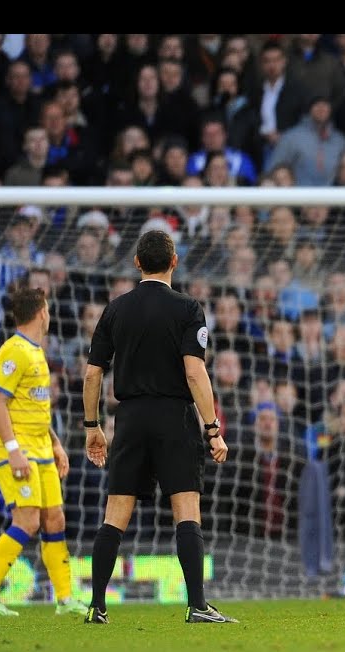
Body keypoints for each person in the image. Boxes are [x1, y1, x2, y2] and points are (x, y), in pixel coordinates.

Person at [81, 229, 235, 624]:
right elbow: (194, 371)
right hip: (174, 417)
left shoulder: (115, 309)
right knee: (186, 509)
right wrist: (212, 427)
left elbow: (92, 373)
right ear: (174, 262)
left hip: (129, 418)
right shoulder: (187, 308)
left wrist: (92, 426)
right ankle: (197, 605)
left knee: (115, 514)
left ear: (137, 263)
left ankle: (97, 606)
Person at [0, 287, 87, 617]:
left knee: (54, 518)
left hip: (41, 449)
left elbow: (34, 407)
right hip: (16, 451)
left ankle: (65, 599)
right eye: (48, 308)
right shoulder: (14, 351)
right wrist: (13, 450)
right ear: (42, 312)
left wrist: (56, 443)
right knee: (28, 519)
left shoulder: (36, 352)